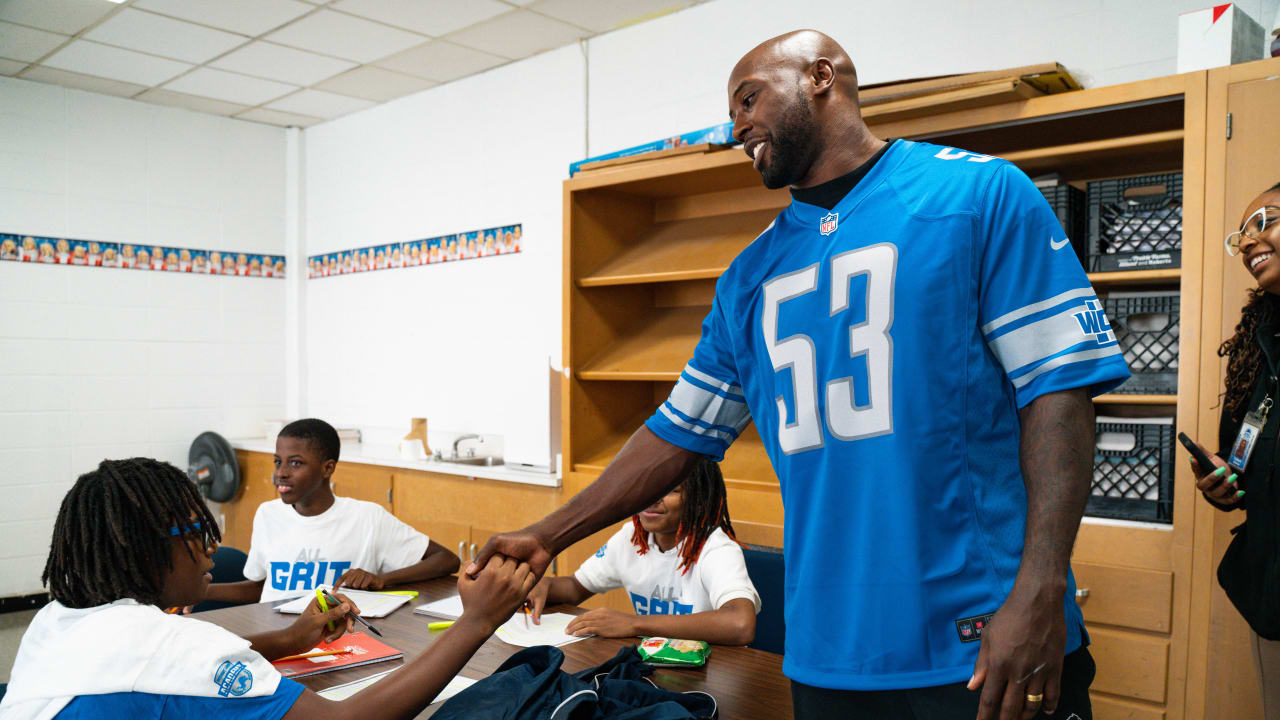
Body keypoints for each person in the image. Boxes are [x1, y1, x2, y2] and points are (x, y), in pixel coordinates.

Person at [472, 30, 1128, 720]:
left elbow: (1059, 391)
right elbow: (678, 433)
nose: (736, 126)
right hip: (827, 654)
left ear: (821, 76)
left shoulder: (976, 194)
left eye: (748, 98)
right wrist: (550, 534)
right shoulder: (750, 277)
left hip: (978, 638)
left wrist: (1039, 591)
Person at [0, 458, 533, 720]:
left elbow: (165, 665)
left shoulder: (59, 618)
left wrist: (290, 641)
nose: (213, 546)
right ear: (146, 550)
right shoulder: (174, 644)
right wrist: (476, 622)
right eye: (197, 532)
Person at [1189, 181, 1280, 720]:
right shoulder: (1255, 343)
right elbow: (1242, 458)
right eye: (1240, 236)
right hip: (1272, 595)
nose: (1248, 242)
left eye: (1265, 220)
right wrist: (1224, 481)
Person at [203, 418, 460, 605]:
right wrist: (203, 592)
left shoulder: (367, 517)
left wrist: (383, 579)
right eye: (278, 462)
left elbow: (446, 560)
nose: (281, 472)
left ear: (327, 468)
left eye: (295, 463)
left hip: (338, 638)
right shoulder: (267, 514)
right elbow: (263, 589)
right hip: (273, 635)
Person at [526, 456, 758, 645]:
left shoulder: (716, 549)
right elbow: (576, 587)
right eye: (648, 488)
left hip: (712, 675)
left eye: (671, 490)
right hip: (657, 666)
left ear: (699, 500)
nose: (652, 499)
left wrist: (634, 623)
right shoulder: (631, 538)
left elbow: (740, 624)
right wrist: (545, 585)